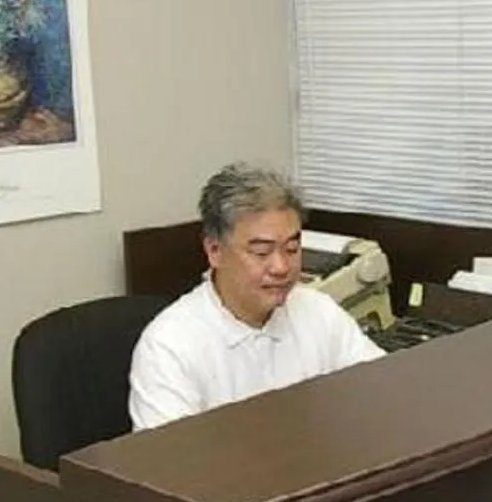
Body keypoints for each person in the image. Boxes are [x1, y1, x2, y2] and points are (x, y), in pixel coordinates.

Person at [127, 165, 383, 430]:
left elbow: (383, 389)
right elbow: (170, 454)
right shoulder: (169, 346)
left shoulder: (318, 310)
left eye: (292, 249)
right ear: (215, 251)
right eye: (261, 252)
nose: (281, 267)